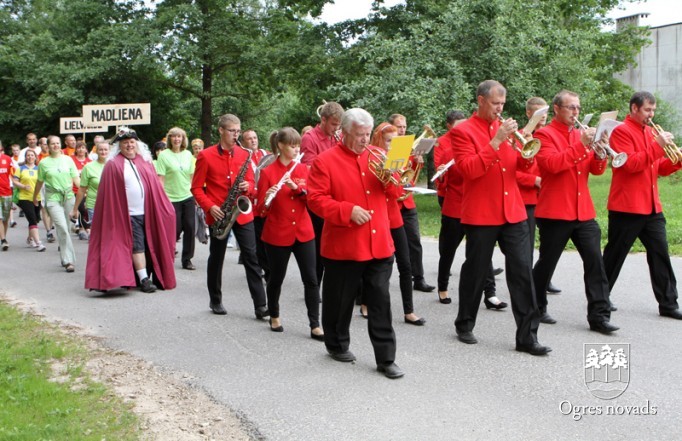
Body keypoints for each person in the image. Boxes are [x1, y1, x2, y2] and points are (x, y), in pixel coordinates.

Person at [450, 80, 549, 355]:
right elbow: (469, 170)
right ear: (481, 100)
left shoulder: (504, 128)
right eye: (495, 103)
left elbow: (518, 166)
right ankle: (465, 323)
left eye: (502, 104)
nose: (500, 109)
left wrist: (526, 150)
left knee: (522, 272)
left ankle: (527, 337)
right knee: (476, 270)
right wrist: (496, 142)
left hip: (513, 211)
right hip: (482, 212)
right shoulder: (463, 132)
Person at [308, 108, 404, 379]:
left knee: (381, 302)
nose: (364, 140)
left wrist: (394, 176)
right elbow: (315, 200)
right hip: (345, 245)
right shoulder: (325, 161)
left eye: (367, 134)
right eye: (359, 135)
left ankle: (386, 359)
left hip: (379, 243)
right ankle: (337, 344)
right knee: (339, 300)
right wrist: (346, 211)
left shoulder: (379, 155)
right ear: (344, 132)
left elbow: (396, 191)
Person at [532, 90, 618, 334]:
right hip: (555, 211)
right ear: (557, 109)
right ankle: (536, 306)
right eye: (571, 107)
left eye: (578, 107)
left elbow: (595, 170)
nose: (575, 112)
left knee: (595, 263)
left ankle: (599, 316)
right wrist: (582, 145)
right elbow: (552, 165)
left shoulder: (580, 134)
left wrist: (600, 152)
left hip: (583, 211)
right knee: (547, 263)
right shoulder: (544, 135)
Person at [603, 91, 682, 320]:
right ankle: (600, 297)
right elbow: (630, 165)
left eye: (653, 110)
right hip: (626, 206)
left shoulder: (650, 132)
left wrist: (677, 160)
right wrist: (657, 146)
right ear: (634, 108)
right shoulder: (621, 131)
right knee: (615, 255)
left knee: (660, 254)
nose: (651, 115)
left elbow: (657, 168)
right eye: (647, 110)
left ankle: (668, 303)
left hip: (651, 206)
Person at [191, 114, 268, 319]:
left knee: (252, 258)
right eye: (232, 131)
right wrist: (210, 207)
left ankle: (261, 305)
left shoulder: (244, 154)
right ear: (221, 131)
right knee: (217, 258)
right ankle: (215, 299)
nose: (236, 135)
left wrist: (248, 186)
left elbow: (252, 183)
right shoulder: (205, 156)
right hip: (219, 214)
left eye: (238, 131)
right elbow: (196, 188)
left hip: (241, 214)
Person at [85, 128, 176, 293]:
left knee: (149, 245)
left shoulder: (145, 162)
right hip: (127, 215)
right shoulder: (113, 165)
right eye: (125, 142)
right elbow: (107, 195)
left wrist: (166, 207)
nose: (129, 145)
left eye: (132, 142)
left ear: (137, 144)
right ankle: (144, 279)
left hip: (148, 213)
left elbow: (156, 188)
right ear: (119, 146)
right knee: (137, 246)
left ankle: (139, 276)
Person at [435, 111, 507, 309]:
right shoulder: (448, 152)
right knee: (448, 250)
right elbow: (443, 185)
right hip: (455, 207)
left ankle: (490, 294)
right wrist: (441, 175)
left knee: (483, 253)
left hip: (477, 207)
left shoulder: (481, 148)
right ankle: (443, 287)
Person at [256, 127, 323, 340]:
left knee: (311, 279)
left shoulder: (303, 169)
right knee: (276, 278)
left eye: (298, 146)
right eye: (293, 146)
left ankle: (315, 324)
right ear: (281, 146)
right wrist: (268, 198)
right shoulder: (268, 172)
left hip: (303, 231)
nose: (296, 150)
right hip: (278, 232)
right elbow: (260, 211)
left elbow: (311, 199)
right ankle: (274, 315)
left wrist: (296, 188)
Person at [363, 122, 426, 325]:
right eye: (388, 141)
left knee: (405, 264)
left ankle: (409, 311)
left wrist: (395, 174)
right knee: (374, 264)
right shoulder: (370, 157)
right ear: (379, 139)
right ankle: (365, 302)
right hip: (377, 217)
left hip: (394, 215)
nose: (391, 145)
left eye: (394, 141)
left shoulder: (396, 159)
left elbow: (399, 191)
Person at [517, 97, 561, 294]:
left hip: (548, 196)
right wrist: (533, 180)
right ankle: (526, 283)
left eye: (545, 112)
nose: (543, 116)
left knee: (548, 243)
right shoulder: (520, 136)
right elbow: (510, 172)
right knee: (525, 245)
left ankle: (544, 278)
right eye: (538, 112)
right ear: (529, 114)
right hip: (527, 197)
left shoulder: (549, 135)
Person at [387, 113, 435, 292]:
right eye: (399, 127)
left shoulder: (408, 146)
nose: (402, 130)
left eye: (404, 127)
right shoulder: (387, 146)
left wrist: (417, 162)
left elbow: (410, 177)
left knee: (414, 241)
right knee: (389, 245)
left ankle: (419, 278)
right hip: (393, 202)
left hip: (407, 201)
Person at [301, 101, 344, 285]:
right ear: (323, 120)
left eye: (339, 125)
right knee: (319, 245)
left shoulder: (337, 137)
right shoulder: (310, 138)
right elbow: (310, 169)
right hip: (319, 197)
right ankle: (314, 286)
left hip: (336, 195)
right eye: (334, 124)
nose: (337, 129)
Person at [33, 136, 79, 272]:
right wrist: (35, 196)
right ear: (48, 146)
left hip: (68, 196)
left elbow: (76, 178)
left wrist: (84, 191)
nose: (55, 145)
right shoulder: (43, 163)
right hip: (52, 198)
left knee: (66, 228)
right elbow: (39, 181)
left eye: (57, 143)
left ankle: (64, 256)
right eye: (52, 143)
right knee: (62, 227)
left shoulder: (68, 160)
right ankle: (69, 261)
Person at [157, 127, 196, 271]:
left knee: (190, 227)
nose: (176, 139)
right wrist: (162, 198)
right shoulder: (163, 155)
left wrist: (195, 194)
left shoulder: (188, 154)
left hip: (187, 196)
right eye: (173, 136)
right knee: (175, 229)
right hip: (170, 198)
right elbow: (160, 179)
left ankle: (187, 259)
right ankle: (167, 255)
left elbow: (192, 177)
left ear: (183, 139)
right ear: (169, 139)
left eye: (179, 136)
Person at [12, 150, 46, 251]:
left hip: (37, 197)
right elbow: (14, 181)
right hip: (24, 198)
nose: (30, 157)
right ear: (25, 157)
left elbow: (43, 182)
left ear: (35, 157)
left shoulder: (39, 169)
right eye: (28, 155)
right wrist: (23, 186)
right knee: (32, 218)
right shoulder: (21, 169)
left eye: (32, 155)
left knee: (35, 219)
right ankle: (39, 243)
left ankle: (30, 238)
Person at [71, 141, 109, 227]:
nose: (103, 152)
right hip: (93, 204)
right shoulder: (88, 167)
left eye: (105, 150)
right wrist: (75, 208)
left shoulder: (114, 165)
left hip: (110, 204)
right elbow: (82, 189)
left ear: (109, 151)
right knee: (97, 230)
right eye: (101, 150)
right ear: (96, 151)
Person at [71, 140, 92, 240]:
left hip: (87, 190)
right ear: (76, 150)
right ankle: (87, 230)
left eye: (83, 148)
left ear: (86, 150)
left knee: (85, 210)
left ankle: (81, 228)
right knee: (81, 209)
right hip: (74, 190)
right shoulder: (72, 160)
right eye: (79, 148)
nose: (81, 150)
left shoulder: (90, 162)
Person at [0, 143, 12, 250]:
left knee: (5, 218)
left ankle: (3, 237)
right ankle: (3, 240)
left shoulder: (7, 159)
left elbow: (14, 175)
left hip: (7, 193)